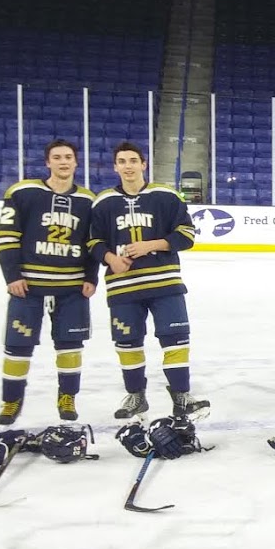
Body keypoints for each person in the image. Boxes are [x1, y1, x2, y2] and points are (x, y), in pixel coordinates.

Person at [88, 141, 208, 421]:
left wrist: (153, 244)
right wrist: (110, 258)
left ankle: (181, 397)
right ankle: (136, 396)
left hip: (164, 283)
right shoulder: (103, 202)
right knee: (127, 341)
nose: (128, 166)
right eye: (122, 161)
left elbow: (187, 235)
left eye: (133, 161)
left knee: (175, 339)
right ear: (115, 166)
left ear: (144, 164)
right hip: (123, 286)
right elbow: (92, 241)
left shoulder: (165, 196)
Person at [0, 139, 98, 425]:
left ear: (76, 162)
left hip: (72, 287)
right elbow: (6, 237)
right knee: (18, 345)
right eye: (57, 157)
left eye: (68, 157)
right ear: (47, 162)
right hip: (29, 286)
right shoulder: (23, 192)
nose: (63, 162)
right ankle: (11, 400)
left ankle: (67, 397)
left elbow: (93, 242)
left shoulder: (89, 200)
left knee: (71, 345)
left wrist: (91, 277)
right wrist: (12, 275)